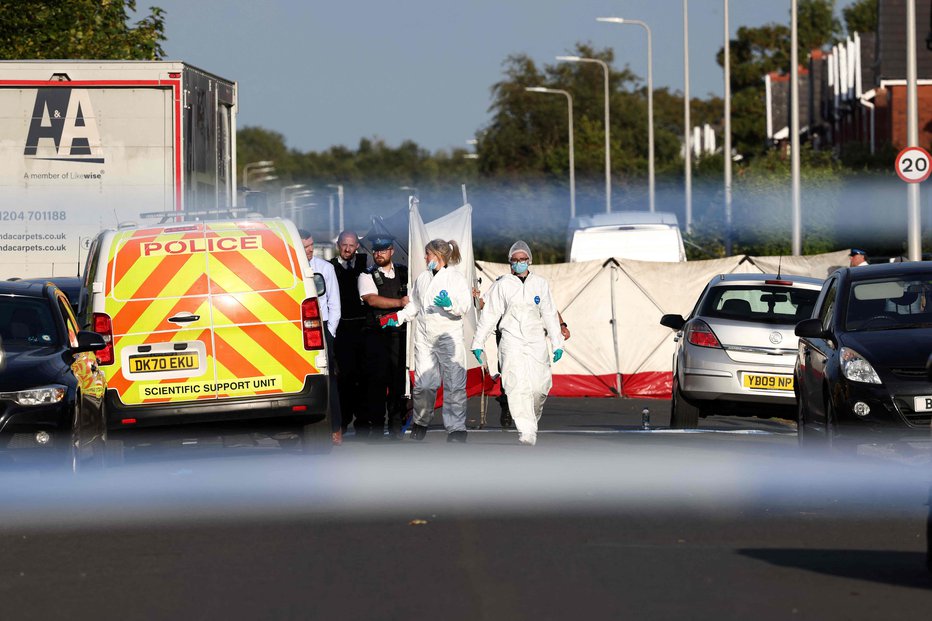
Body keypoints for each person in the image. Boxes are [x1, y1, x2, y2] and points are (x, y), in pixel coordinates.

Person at [471, 241, 564, 446]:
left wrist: (557, 342)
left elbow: (549, 313)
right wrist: (478, 342)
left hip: (536, 340)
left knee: (539, 387)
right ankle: (526, 430)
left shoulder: (540, 284)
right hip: (511, 340)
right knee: (515, 385)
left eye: (523, 260)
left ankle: (532, 418)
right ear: (510, 263)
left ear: (529, 261)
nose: (520, 263)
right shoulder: (503, 284)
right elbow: (490, 314)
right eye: (515, 260)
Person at [383, 239, 471, 442]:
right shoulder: (422, 278)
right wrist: (397, 317)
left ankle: (457, 429)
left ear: (438, 256)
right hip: (424, 338)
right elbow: (414, 306)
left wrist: (450, 305)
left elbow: (464, 306)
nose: (425, 257)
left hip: (449, 337)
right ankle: (420, 422)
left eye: (427, 254)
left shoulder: (456, 279)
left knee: (454, 384)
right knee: (424, 385)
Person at [472, 288, 570, 430]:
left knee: (533, 377)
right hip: (508, 336)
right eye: (516, 263)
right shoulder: (502, 284)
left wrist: (561, 325)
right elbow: (482, 304)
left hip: (532, 337)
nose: (519, 265)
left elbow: (550, 308)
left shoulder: (536, 284)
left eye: (522, 263)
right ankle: (506, 404)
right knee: (510, 374)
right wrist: (475, 297)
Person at [358, 234, 409, 440]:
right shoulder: (367, 275)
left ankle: (396, 427)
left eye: (383, 249)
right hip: (377, 336)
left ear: (391, 251)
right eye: (376, 250)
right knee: (377, 383)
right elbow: (371, 299)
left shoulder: (405, 273)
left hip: (399, 334)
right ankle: (377, 429)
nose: (379, 253)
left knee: (398, 382)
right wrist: (399, 303)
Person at [300, 230, 342, 446]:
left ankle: (335, 428)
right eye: (304, 246)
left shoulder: (325, 268)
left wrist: (330, 333)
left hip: (323, 327)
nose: (309, 251)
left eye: (310, 246)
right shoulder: (290, 268)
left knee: (328, 380)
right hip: (298, 328)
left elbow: (334, 303)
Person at [330, 230, 369, 435]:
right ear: (338, 245)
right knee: (344, 378)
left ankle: (363, 422)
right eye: (344, 245)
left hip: (363, 329)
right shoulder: (330, 267)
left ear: (357, 246)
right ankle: (342, 422)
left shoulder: (365, 264)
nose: (347, 249)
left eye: (352, 245)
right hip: (342, 331)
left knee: (364, 377)